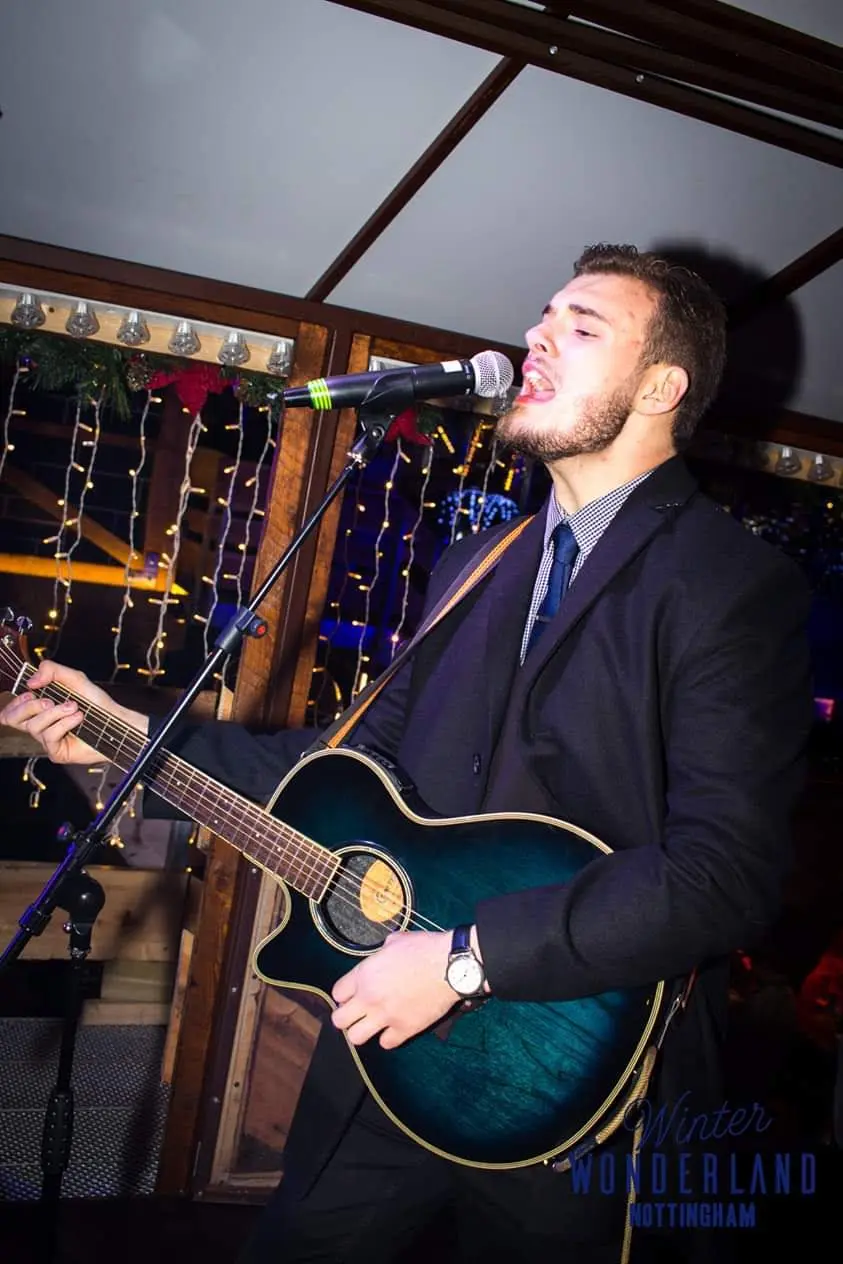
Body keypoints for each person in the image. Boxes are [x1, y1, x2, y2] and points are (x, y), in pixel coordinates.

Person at [0, 244, 814, 1263]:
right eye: (543, 314)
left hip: (572, 1078)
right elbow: (334, 772)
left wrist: (468, 960)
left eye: (583, 325)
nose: (537, 335)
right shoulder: (482, 562)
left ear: (662, 385)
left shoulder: (728, 582)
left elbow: (723, 874)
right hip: (392, 1049)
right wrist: (120, 732)